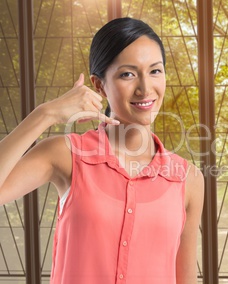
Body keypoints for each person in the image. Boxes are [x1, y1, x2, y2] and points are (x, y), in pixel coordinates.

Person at [0, 17, 204, 284]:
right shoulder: (67, 155)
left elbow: (185, 277)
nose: (145, 88)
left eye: (155, 71)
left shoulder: (187, 179)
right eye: (127, 74)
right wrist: (46, 114)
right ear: (98, 85)